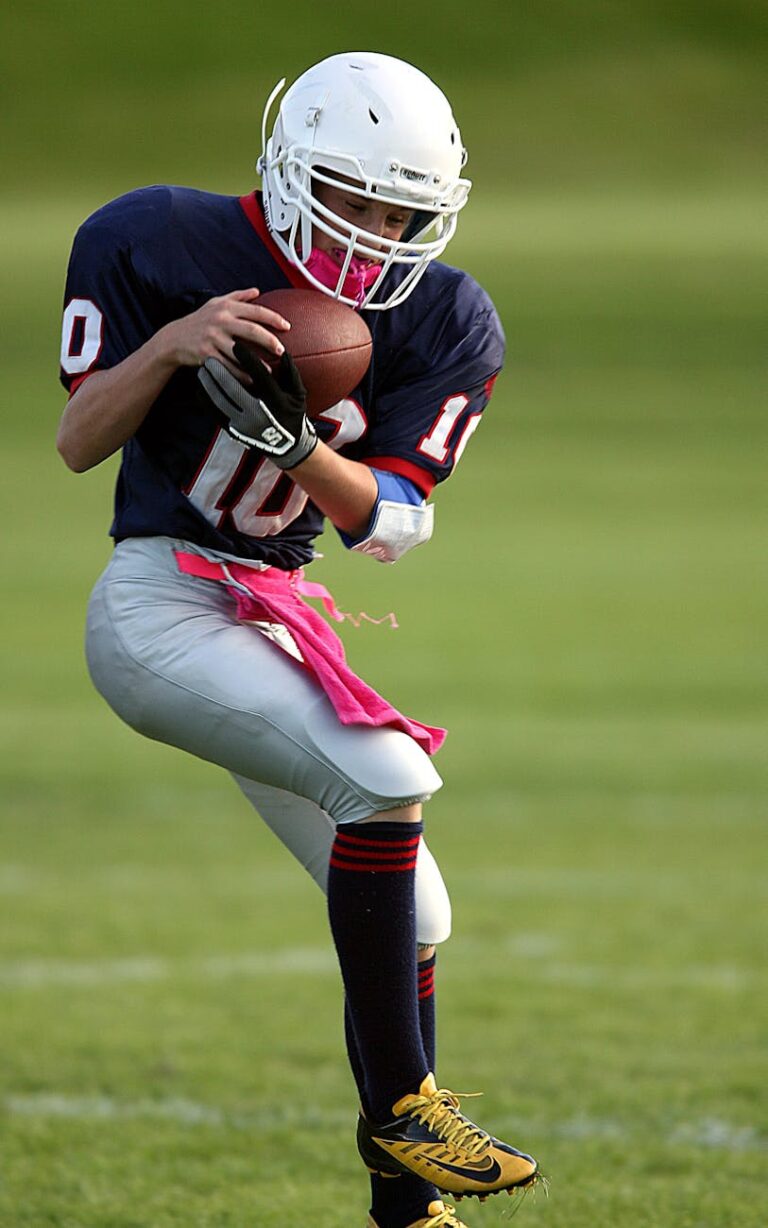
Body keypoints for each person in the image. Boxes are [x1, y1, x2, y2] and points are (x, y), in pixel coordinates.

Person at [56, 51, 539, 1228]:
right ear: (287, 169)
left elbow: (392, 524)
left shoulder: (448, 315)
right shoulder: (153, 240)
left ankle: (406, 1211)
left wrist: (297, 450)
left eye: (400, 211)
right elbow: (78, 439)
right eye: (355, 197)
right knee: (389, 775)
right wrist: (172, 345)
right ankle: (403, 1111)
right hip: (157, 603)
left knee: (417, 911)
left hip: (269, 617)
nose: (375, 233)